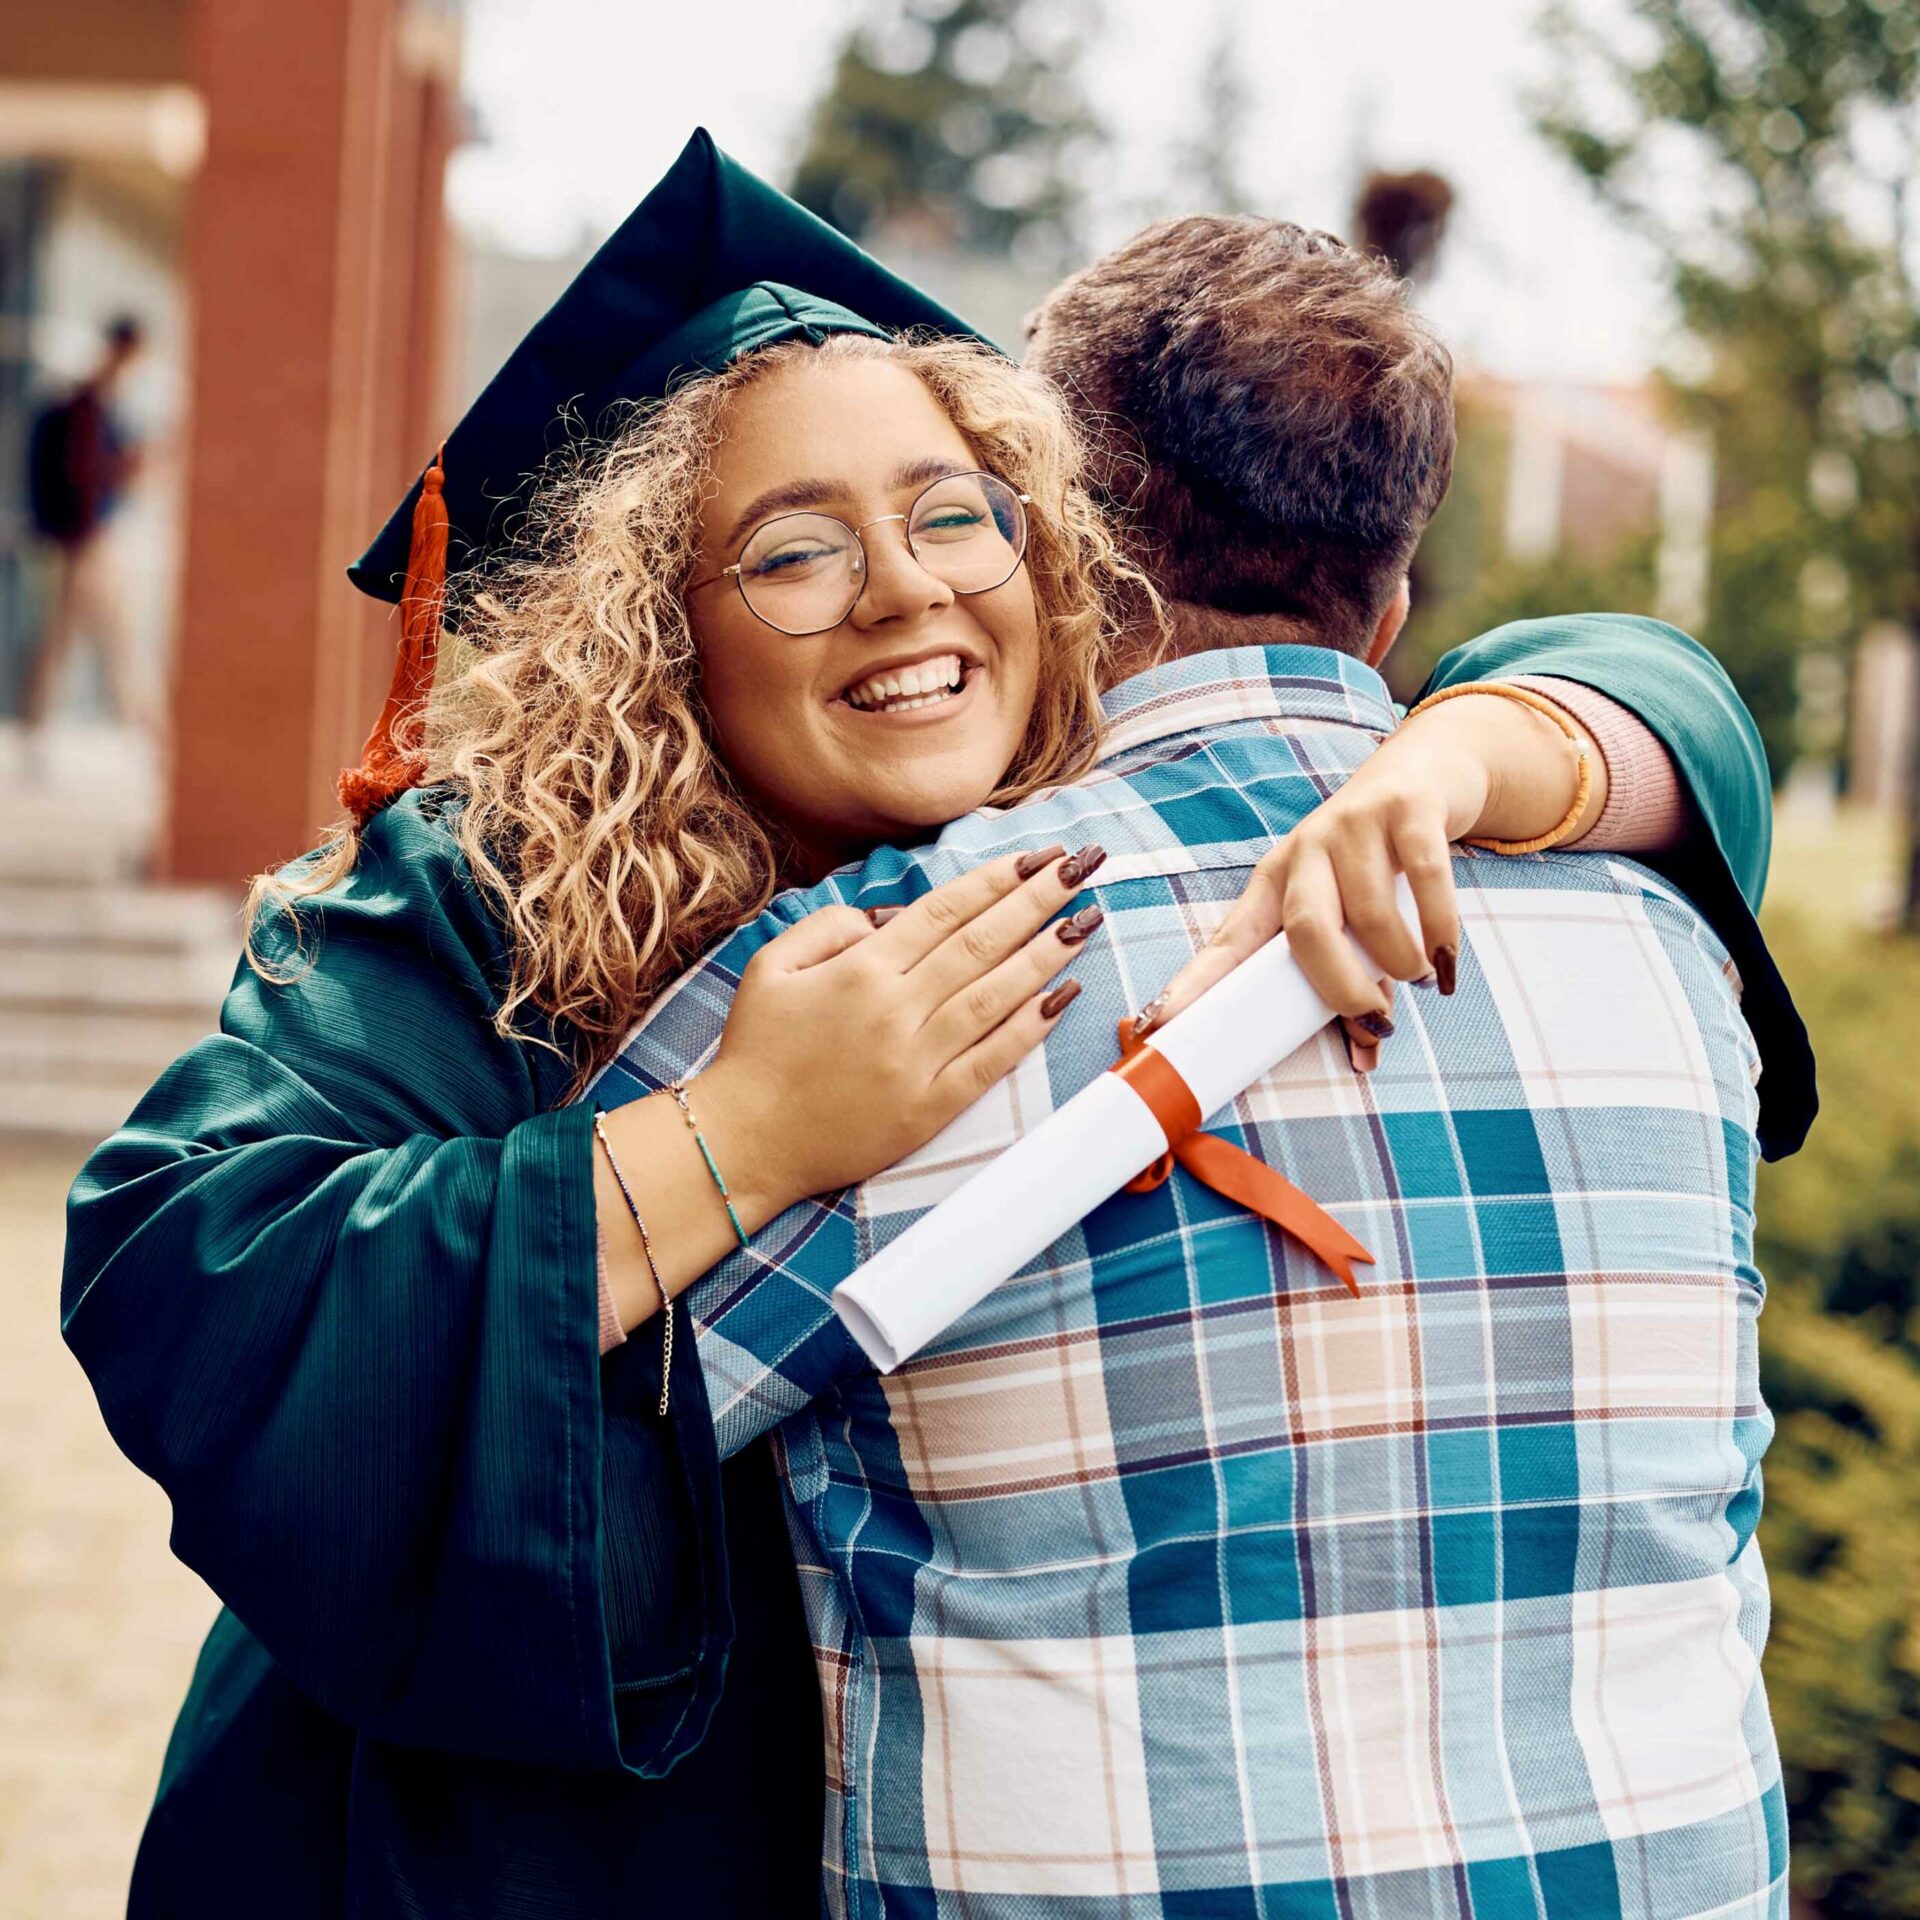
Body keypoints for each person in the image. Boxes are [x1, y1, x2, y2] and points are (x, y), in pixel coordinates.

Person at [60, 134, 1796, 1916]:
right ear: (654, 627)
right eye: (793, 552)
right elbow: (199, 1275)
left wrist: (1465, 752)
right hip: (514, 1839)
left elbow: (1659, 710)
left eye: (953, 511)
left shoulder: (1090, 845)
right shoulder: (478, 897)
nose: (904, 588)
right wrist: (731, 1140)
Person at [589, 253, 1786, 1916]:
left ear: (1051, 531)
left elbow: (525, 1441)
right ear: (1395, 593)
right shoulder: (1675, 947)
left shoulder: (892, 974)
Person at [23, 314, 158, 748]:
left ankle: (41, 726)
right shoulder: (85, 406)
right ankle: (146, 732)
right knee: (94, 636)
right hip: (84, 540)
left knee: (84, 635)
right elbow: (83, 473)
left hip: (91, 537)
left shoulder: (105, 406)